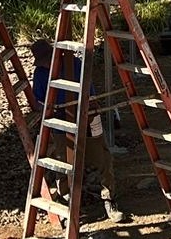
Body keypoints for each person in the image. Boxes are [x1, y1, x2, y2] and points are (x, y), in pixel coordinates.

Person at [30, 39, 128, 223]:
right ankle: (67, 201)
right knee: (63, 161)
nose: (45, 64)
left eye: (46, 60)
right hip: (60, 120)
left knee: (102, 157)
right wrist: (50, 109)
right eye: (42, 62)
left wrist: (90, 110)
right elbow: (38, 103)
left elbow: (90, 92)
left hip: (88, 114)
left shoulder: (75, 64)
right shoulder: (41, 74)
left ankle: (109, 198)